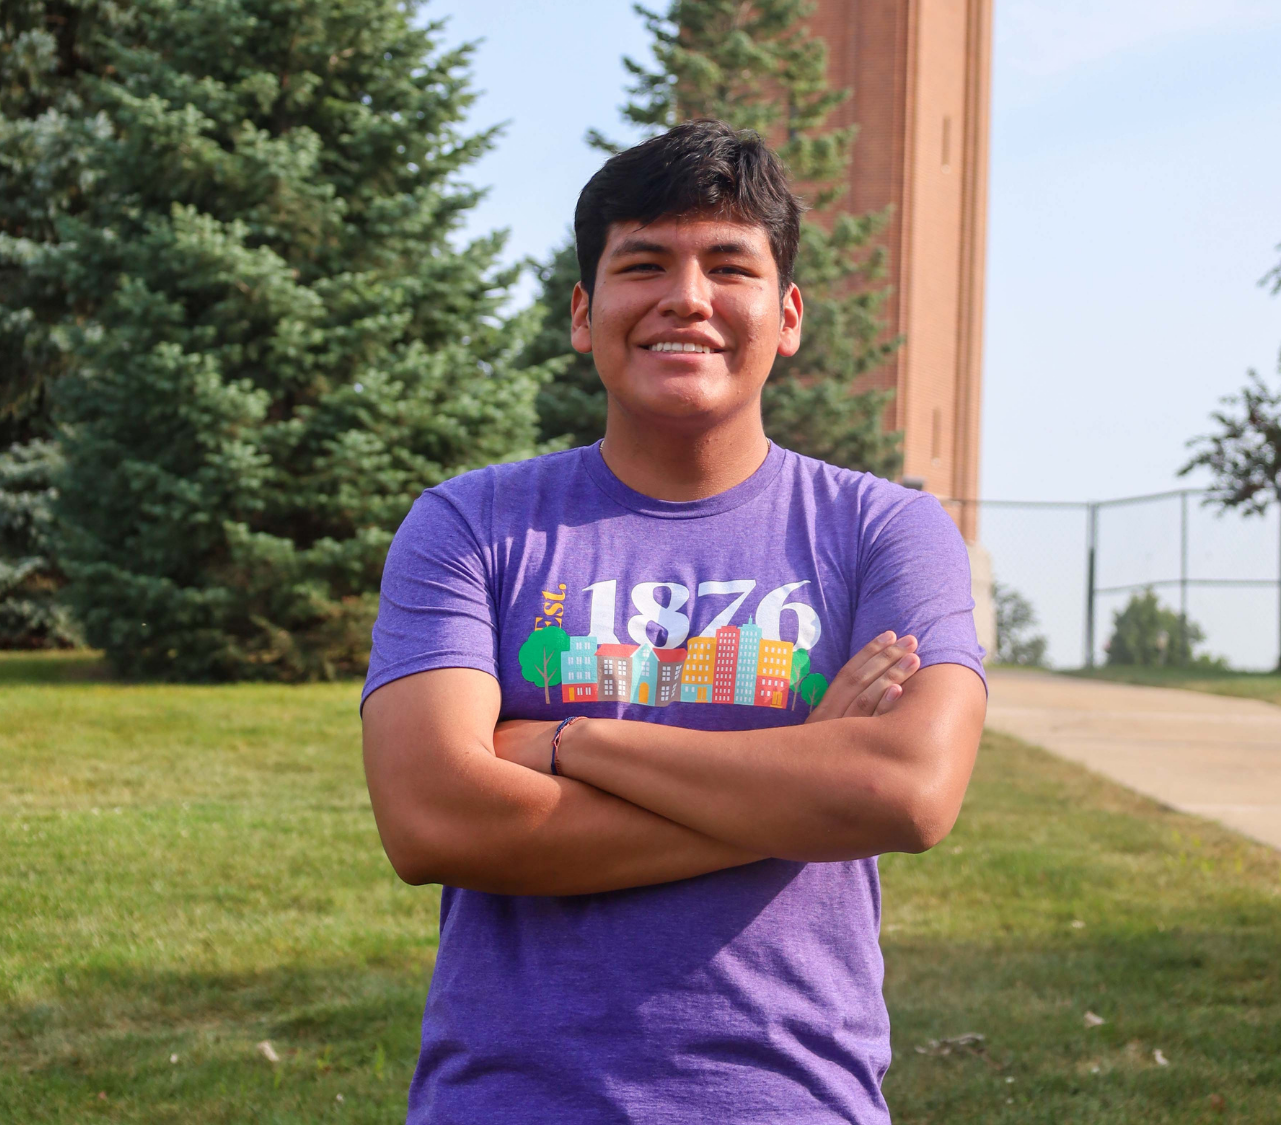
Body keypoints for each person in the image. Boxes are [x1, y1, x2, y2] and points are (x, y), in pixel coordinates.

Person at [360, 118, 988, 1124]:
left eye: (729, 267)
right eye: (644, 263)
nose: (687, 297)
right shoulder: (470, 526)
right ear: (585, 312)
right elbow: (433, 819)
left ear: (787, 315)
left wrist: (570, 742)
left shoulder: (885, 530)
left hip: (787, 1102)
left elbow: (906, 792)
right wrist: (798, 781)